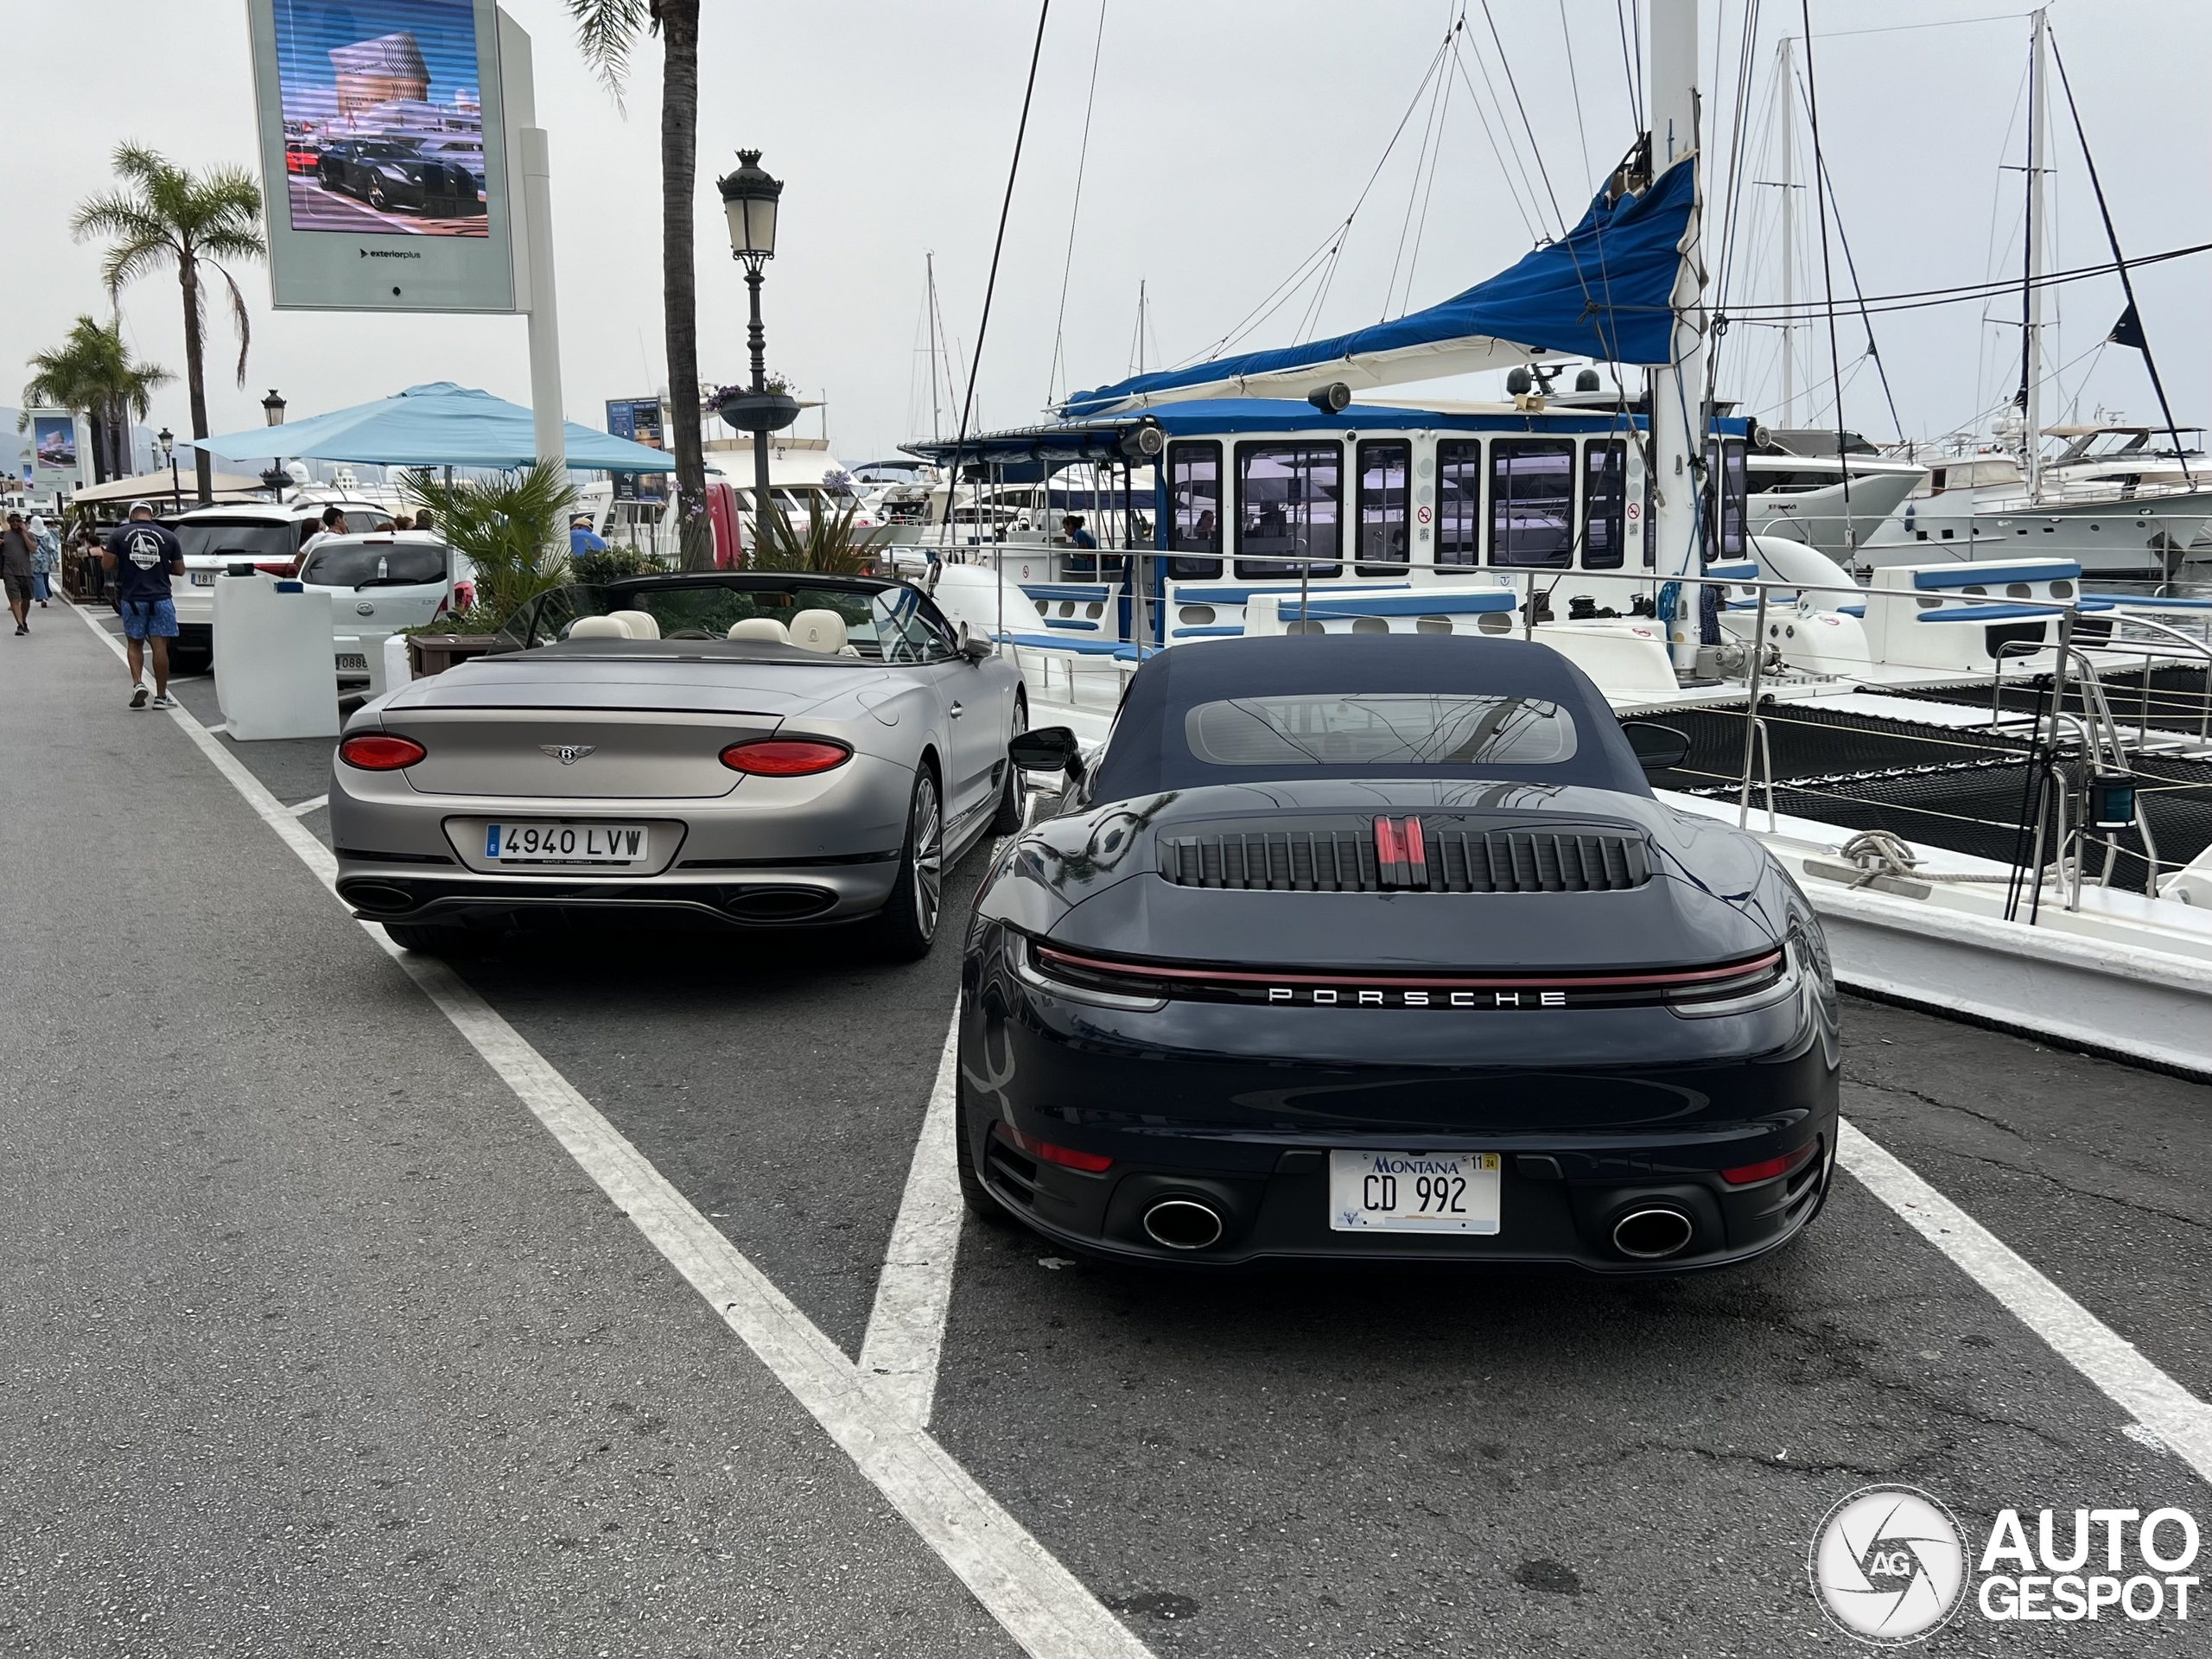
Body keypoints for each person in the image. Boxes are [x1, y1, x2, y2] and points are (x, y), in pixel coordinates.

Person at [103, 501, 184, 708]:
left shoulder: (119, 535)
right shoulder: (168, 536)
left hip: (132, 599)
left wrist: (126, 562)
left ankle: (138, 683)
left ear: (131, 516)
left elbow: (107, 565)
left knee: (135, 643)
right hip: (161, 598)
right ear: (152, 514)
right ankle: (161, 696)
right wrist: (160, 565)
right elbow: (180, 570)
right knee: (160, 646)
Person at [1, 512, 34, 635]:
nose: (15, 523)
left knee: (26, 599)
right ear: (9, 522)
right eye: (12, 521)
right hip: (9, 572)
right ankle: (19, 625)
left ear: (22, 522)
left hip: (26, 571)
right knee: (14, 599)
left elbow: (33, 549)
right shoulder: (4, 535)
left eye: (18, 521)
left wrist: (24, 533)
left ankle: (24, 621)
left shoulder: (29, 535)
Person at [28, 513, 60, 607]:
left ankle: (42, 597)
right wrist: (56, 559)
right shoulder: (47, 534)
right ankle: (47, 595)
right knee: (45, 577)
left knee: (38, 577)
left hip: (35, 559)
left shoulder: (29, 533)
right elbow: (52, 547)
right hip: (47, 559)